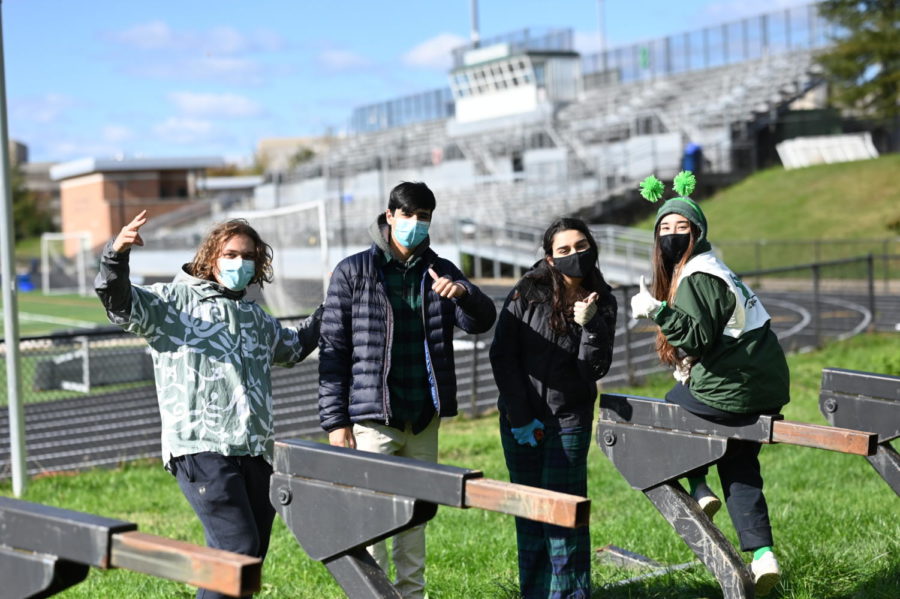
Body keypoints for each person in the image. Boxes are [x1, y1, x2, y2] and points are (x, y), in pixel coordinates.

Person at [95, 211, 322, 599]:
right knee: (237, 551)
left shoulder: (255, 317)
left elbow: (294, 348)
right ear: (210, 258)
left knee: (243, 565)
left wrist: (329, 311)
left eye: (248, 256)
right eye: (231, 254)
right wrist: (115, 255)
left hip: (254, 451)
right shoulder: (172, 302)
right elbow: (120, 302)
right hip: (201, 448)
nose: (240, 262)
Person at [318, 181, 496, 598]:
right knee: (373, 522)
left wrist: (464, 295)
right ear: (390, 216)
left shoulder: (440, 269)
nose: (416, 224)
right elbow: (333, 350)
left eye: (424, 217)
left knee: (415, 520)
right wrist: (335, 421)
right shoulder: (354, 271)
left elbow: (483, 319)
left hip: (422, 419)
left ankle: (413, 596)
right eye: (409, 215)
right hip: (373, 420)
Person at [630, 171, 789, 596]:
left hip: (736, 388)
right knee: (738, 465)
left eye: (681, 227)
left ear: (698, 232)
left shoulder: (697, 274)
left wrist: (655, 310)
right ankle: (762, 555)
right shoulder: (718, 269)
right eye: (664, 227)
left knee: (669, 407)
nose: (672, 234)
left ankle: (698, 487)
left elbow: (695, 335)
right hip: (765, 386)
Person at [490, 217, 617, 599]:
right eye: (563, 250)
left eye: (580, 247)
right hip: (521, 420)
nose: (574, 255)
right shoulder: (528, 292)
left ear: (592, 247)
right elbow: (502, 354)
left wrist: (590, 328)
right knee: (530, 516)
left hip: (569, 421)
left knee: (564, 518)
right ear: (549, 258)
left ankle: (570, 595)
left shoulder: (603, 299)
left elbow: (593, 368)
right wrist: (520, 416)